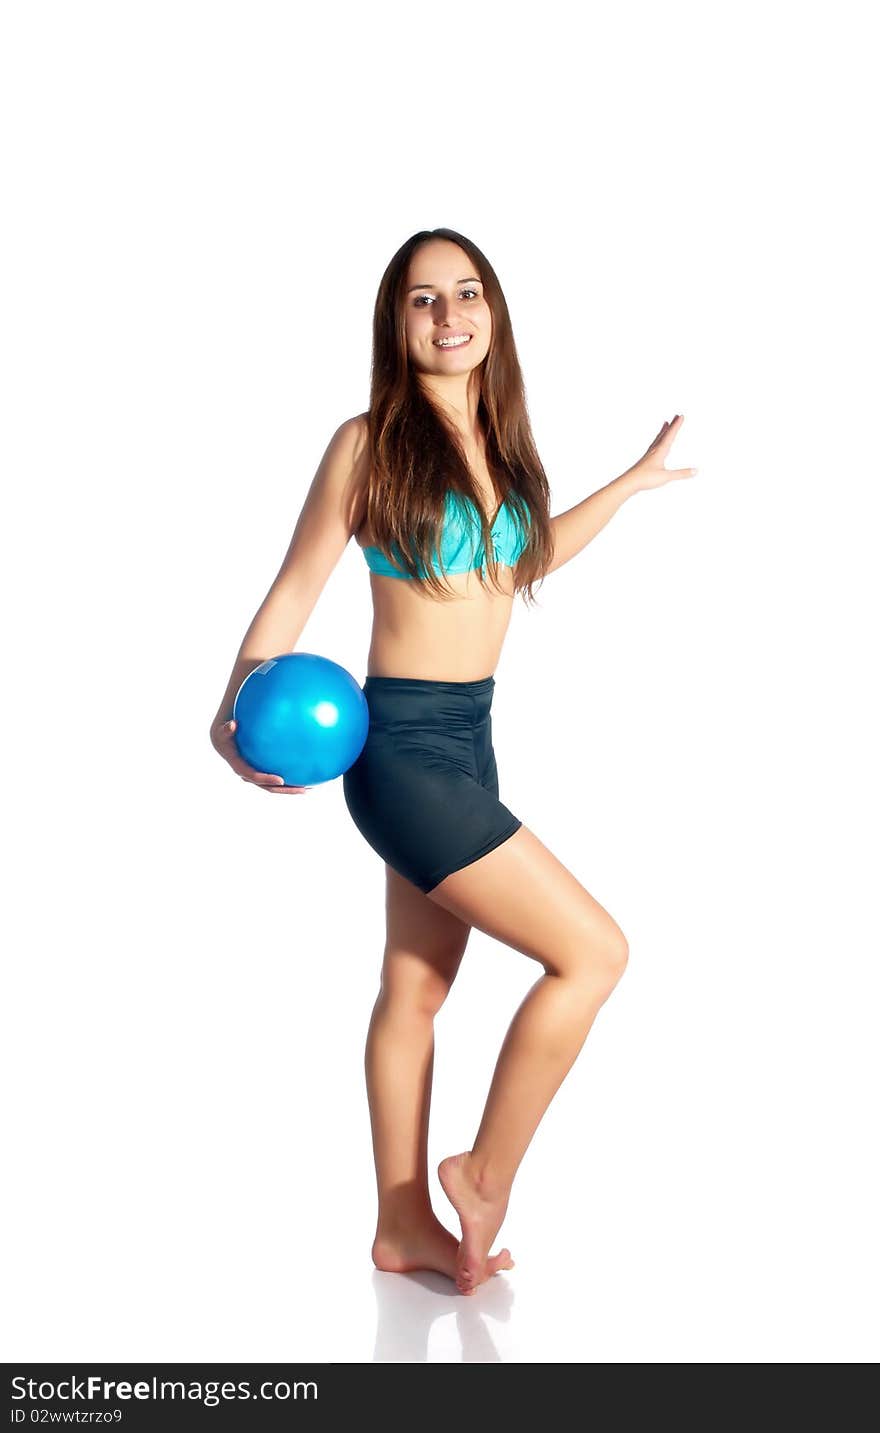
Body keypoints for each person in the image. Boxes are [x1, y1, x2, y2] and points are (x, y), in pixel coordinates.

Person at [209, 228, 698, 1297]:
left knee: (414, 986)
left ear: (493, 312)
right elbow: (295, 588)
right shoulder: (366, 442)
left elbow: (522, 559)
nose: (447, 316)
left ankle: (401, 1227)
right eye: (423, 299)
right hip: (400, 751)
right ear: (396, 322)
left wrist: (628, 482)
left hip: (471, 739)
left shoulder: (502, 442)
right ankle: (481, 1171)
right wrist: (230, 704)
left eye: (465, 293)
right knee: (593, 952)